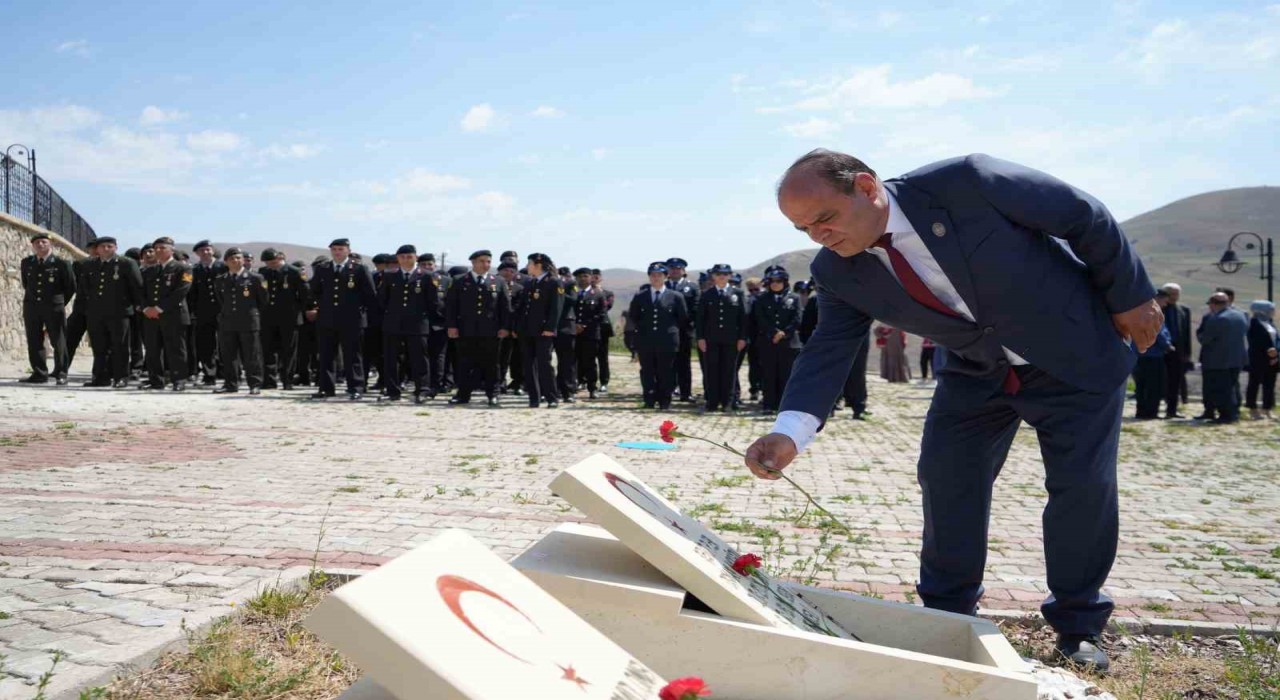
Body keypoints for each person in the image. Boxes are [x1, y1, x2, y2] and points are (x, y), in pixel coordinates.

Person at [746, 150, 1163, 672]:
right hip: (977, 373)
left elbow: (1084, 216)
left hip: (1073, 354)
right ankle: (946, 617)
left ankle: (1078, 627)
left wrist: (1131, 295)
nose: (818, 236)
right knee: (946, 478)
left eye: (824, 218)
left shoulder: (968, 182)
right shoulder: (837, 272)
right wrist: (790, 433)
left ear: (868, 188)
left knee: (1081, 486)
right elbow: (828, 349)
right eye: (803, 228)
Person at [307, 238, 377, 400]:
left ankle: (356, 387)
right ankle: (326, 388)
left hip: (351, 319)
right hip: (327, 318)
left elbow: (370, 294)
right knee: (326, 355)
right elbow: (314, 290)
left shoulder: (359, 269)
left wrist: (360, 311)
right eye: (334, 249)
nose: (337, 252)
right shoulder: (323, 269)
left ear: (348, 250)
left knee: (353, 355)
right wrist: (322, 305)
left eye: (340, 249)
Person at [445, 250, 512, 407]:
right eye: (482, 261)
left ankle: (493, 394)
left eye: (488, 261)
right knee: (464, 363)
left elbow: (505, 307)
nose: (486, 264)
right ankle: (463, 394)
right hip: (465, 330)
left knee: (492, 364)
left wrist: (505, 327)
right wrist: (452, 326)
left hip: (491, 331)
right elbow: (451, 306)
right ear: (473, 263)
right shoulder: (460, 280)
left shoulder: (498, 281)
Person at [380, 245, 440, 403]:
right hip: (393, 323)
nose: (405, 260)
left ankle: (422, 390)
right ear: (397, 258)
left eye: (409, 256)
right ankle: (392, 390)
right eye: (402, 257)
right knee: (391, 359)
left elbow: (433, 303)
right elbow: (382, 300)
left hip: (418, 324)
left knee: (419, 358)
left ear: (416, 257)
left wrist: (435, 324)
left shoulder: (427, 276)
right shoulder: (389, 275)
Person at [84, 236, 143, 389]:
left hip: (119, 312)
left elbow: (137, 287)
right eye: (102, 246)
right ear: (97, 249)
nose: (106, 249)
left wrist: (138, 307)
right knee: (99, 346)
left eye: (110, 246)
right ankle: (100, 377)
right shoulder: (90, 264)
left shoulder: (126, 263)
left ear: (116, 248)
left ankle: (121, 377)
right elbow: (84, 288)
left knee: (120, 346)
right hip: (96, 312)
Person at [628, 262, 688, 409]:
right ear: (649, 277)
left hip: (667, 341)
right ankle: (649, 398)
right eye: (653, 275)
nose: (656, 278)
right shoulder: (640, 296)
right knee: (647, 370)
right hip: (646, 340)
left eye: (659, 275)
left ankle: (664, 400)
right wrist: (634, 342)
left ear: (666, 277)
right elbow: (633, 318)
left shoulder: (676, 297)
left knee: (666, 371)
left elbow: (683, 319)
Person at [19, 233, 77, 385]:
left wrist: (59, 302)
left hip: (54, 307)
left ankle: (61, 373)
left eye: (43, 242)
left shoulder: (61, 263)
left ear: (50, 244)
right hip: (32, 307)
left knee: (59, 340)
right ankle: (39, 373)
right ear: (33, 245)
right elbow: (27, 284)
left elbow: (70, 287)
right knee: (34, 340)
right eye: (37, 242)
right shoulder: (27, 262)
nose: (40, 245)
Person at [138, 237, 192, 391]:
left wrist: (159, 308)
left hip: (173, 315)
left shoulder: (183, 268)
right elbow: (140, 292)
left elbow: (181, 290)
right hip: (151, 316)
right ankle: (156, 380)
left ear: (172, 250)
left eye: (163, 247)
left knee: (176, 349)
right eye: (156, 248)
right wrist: (146, 308)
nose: (159, 251)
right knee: (152, 349)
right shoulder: (150, 270)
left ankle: (179, 380)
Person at [212, 248, 267, 394]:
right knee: (228, 355)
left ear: (243, 260)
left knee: (252, 354)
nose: (235, 261)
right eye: (231, 258)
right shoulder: (220, 280)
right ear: (226, 262)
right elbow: (221, 300)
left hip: (248, 321)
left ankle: (254, 384)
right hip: (228, 321)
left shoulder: (255, 278)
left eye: (238, 258)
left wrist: (253, 314)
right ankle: (231, 384)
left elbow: (263, 300)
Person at [514, 253, 563, 407]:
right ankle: (534, 398)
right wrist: (517, 327)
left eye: (529, 264)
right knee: (528, 364)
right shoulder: (530, 283)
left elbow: (556, 308)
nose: (527, 267)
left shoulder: (553, 282)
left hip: (543, 330)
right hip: (526, 330)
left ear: (538, 265)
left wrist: (550, 328)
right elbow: (523, 308)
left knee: (544, 365)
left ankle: (551, 398)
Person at [697, 263, 747, 413]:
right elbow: (700, 318)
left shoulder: (737, 293)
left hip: (731, 340)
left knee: (729, 371)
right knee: (711, 370)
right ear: (713, 276)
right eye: (718, 274)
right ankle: (711, 402)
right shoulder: (707, 294)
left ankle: (727, 402)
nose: (721, 277)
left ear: (729, 276)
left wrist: (742, 338)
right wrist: (700, 338)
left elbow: (743, 318)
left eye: (725, 274)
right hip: (711, 339)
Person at [751, 268, 802, 414]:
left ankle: (784, 405)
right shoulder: (761, 298)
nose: (775, 284)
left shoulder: (795, 298)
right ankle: (768, 404)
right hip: (768, 341)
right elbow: (760, 319)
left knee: (786, 374)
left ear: (785, 282)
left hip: (789, 342)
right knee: (768, 374)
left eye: (778, 281)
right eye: (771, 281)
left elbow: (797, 318)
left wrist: (784, 333)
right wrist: (774, 332)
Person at [259, 249, 310, 390]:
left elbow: (306, 294)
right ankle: (269, 380)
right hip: (268, 317)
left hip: (289, 317)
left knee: (288, 350)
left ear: (280, 258)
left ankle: (287, 380)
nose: (271, 265)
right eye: (268, 263)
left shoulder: (295, 272)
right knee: (267, 350)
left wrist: (297, 309)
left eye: (274, 262)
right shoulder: (263, 272)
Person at [1197, 292, 1248, 424]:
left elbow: (1206, 339)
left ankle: (1226, 415)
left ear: (1214, 304)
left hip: (1218, 360)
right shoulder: (1240, 315)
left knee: (1222, 389)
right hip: (1236, 358)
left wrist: (1200, 336)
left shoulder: (1217, 319)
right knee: (1232, 386)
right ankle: (1234, 413)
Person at [1132, 291, 1174, 419]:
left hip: (1139, 354)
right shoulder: (1153, 312)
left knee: (1141, 385)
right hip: (1153, 355)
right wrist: (1167, 346)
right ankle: (1151, 412)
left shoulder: (1139, 311)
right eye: (1164, 301)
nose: (1166, 305)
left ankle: (1141, 411)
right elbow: (1157, 333)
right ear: (1157, 299)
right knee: (1153, 385)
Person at [189, 240, 225, 385]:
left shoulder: (223, 267)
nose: (205, 252)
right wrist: (193, 311)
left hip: (223, 311)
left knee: (226, 344)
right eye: (202, 250)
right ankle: (209, 375)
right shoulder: (195, 270)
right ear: (197, 253)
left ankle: (227, 373)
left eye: (208, 249)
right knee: (206, 345)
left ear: (212, 250)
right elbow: (192, 293)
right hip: (203, 312)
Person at [664, 258, 700, 402]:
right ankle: (668, 391)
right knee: (666, 363)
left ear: (683, 270)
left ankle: (686, 393)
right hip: (665, 331)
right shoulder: (663, 285)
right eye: (671, 268)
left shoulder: (692, 287)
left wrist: (684, 324)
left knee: (684, 363)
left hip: (684, 331)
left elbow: (695, 308)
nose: (674, 271)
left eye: (678, 268)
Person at [573, 267, 608, 399]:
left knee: (590, 362)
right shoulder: (572, 292)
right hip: (573, 332)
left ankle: (592, 388)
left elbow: (601, 314)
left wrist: (584, 325)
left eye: (586, 276)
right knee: (571, 361)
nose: (583, 278)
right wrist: (575, 325)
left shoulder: (598, 294)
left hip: (591, 333)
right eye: (580, 276)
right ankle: (571, 387)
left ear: (591, 278)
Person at [65, 239, 97, 378]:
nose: (96, 250)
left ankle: (101, 372)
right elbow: (71, 286)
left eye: (98, 247)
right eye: (92, 247)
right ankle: (61, 369)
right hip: (80, 309)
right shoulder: (79, 265)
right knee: (69, 339)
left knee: (100, 343)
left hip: (101, 311)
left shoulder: (113, 265)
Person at [1160, 283, 1192, 418]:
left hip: (1177, 351)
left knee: (1175, 381)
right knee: (1160, 380)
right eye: (1171, 294)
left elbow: (1186, 333)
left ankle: (1171, 410)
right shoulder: (1159, 308)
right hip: (1160, 351)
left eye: (1176, 294)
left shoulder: (1184, 310)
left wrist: (1187, 353)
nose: (1174, 297)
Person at [1245, 300, 1278, 420]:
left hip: (1272, 360)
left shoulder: (1269, 323)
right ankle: (1253, 409)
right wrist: (1268, 351)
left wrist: (1275, 354)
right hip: (1258, 359)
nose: (1273, 312)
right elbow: (1256, 342)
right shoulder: (1254, 323)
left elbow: (1275, 338)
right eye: (1271, 310)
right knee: (1254, 383)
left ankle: (1267, 408)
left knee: (1269, 385)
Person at [496, 261, 525, 394]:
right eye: (505, 270)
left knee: (513, 358)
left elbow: (518, 310)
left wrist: (514, 328)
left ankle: (517, 383)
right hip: (496, 327)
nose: (508, 273)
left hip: (512, 329)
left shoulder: (518, 289)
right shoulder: (493, 285)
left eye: (512, 271)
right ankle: (498, 382)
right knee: (497, 358)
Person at [554, 266, 580, 403]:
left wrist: (560, 292)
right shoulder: (548, 282)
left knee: (567, 361)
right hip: (549, 325)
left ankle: (568, 391)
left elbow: (574, 300)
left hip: (565, 326)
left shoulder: (570, 284)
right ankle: (551, 390)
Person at [591, 268, 615, 394]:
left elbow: (607, 307)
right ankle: (586, 380)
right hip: (588, 328)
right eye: (592, 276)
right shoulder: (585, 292)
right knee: (587, 356)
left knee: (602, 357)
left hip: (603, 327)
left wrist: (599, 293)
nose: (594, 279)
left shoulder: (608, 293)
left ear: (600, 278)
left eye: (597, 277)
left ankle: (604, 382)